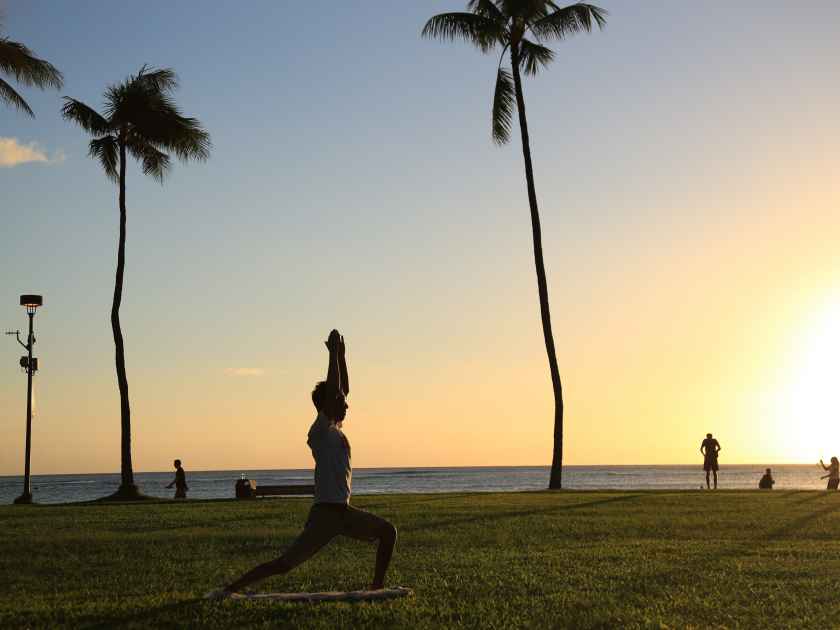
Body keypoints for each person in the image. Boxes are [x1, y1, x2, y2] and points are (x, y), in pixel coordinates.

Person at [207, 330, 397, 598]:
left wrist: (343, 356)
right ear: (325, 406)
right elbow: (335, 391)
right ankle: (229, 589)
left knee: (388, 532)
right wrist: (332, 356)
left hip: (344, 512)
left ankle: (376, 588)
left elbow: (342, 390)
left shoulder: (336, 429)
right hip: (325, 516)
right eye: (341, 402)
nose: (347, 405)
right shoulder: (319, 431)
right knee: (284, 565)